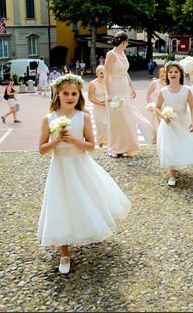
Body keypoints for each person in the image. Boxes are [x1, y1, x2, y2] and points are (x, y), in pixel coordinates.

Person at [37, 73, 131, 274]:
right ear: (58, 95)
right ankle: (64, 253)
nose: (70, 97)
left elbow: (91, 146)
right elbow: (42, 149)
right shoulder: (49, 119)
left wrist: (74, 141)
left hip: (80, 165)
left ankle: (86, 230)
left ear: (79, 96)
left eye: (74, 94)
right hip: (60, 167)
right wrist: (56, 140)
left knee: (85, 201)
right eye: (65, 93)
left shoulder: (83, 117)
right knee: (61, 206)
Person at [155, 61, 193, 187]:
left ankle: (179, 162)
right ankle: (172, 175)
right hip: (169, 123)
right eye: (170, 72)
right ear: (167, 75)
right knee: (170, 147)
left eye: (176, 72)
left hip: (183, 121)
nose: (173, 74)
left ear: (180, 75)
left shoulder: (186, 90)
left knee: (183, 144)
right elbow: (157, 107)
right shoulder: (163, 91)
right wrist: (163, 116)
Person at [104, 31, 149, 158]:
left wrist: (132, 86)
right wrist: (108, 93)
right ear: (124, 42)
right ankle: (115, 148)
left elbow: (125, 72)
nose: (127, 44)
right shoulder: (111, 55)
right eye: (127, 42)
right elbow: (107, 74)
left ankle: (127, 146)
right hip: (115, 87)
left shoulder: (122, 53)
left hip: (125, 88)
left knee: (127, 118)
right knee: (116, 118)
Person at [145, 67, 167, 145]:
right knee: (155, 128)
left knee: (164, 127)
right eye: (161, 76)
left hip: (165, 109)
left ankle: (163, 144)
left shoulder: (169, 83)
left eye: (165, 76)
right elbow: (148, 95)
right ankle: (154, 143)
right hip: (155, 108)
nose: (163, 78)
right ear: (159, 75)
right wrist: (150, 104)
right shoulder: (154, 83)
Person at [87, 65, 107, 148]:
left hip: (108, 107)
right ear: (97, 73)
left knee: (109, 125)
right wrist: (100, 103)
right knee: (100, 125)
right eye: (101, 72)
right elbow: (90, 97)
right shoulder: (92, 83)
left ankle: (109, 144)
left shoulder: (108, 82)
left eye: (104, 72)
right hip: (98, 107)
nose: (103, 74)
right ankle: (100, 143)